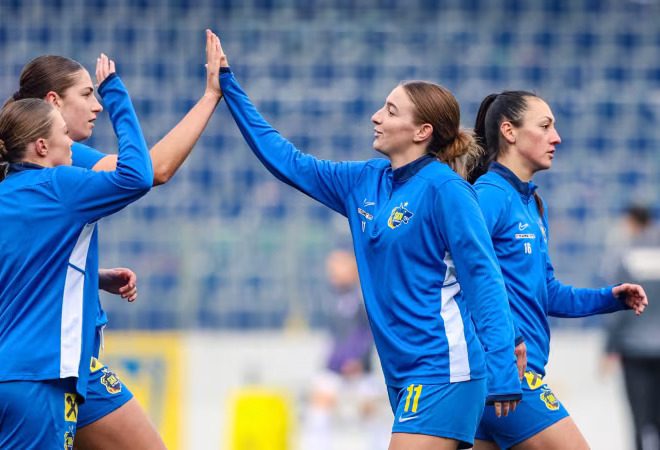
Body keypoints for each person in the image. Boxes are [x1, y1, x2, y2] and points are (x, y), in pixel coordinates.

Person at [211, 32, 521, 450]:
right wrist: (228, 86)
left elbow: (484, 281)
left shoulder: (448, 191)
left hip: (443, 368)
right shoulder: (363, 181)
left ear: (421, 131)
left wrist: (503, 370)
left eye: (390, 110)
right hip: (401, 372)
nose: (376, 116)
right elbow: (286, 160)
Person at [0, 57, 163, 449]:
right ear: (42, 146)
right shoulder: (61, 184)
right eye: (63, 135)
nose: (71, 143)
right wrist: (117, 96)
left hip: (8, 376)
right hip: (38, 378)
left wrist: (95, 279)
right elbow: (139, 175)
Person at [11, 32, 223, 447]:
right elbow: (151, 170)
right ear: (53, 102)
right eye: (87, 94)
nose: (96, 106)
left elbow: (28, 261)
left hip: (46, 357)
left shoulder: (29, 170)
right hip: (53, 359)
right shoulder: (63, 164)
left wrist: (95, 277)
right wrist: (211, 96)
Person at [469, 91, 649, 450]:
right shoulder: (488, 195)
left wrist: (609, 298)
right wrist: (504, 345)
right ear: (509, 131)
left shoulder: (533, 204)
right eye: (545, 126)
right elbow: (463, 278)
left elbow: (546, 291)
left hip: (508, 376)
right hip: (506, 375)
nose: (557, 137)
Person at [301, 249, 387, 450]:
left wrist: (358, 360)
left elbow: (368, 334)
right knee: (318, 412)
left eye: (339, 267)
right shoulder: (332, 298)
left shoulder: (362, 297)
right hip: (334, 367)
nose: (333, 272)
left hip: (360, 367)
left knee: (371, 414)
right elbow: (336, 337)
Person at [602, 205, 660, 450]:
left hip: (634, 349)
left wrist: (608, 349)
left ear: (632, 222)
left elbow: (618, 310)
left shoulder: (626, 255)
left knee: (639, 418)